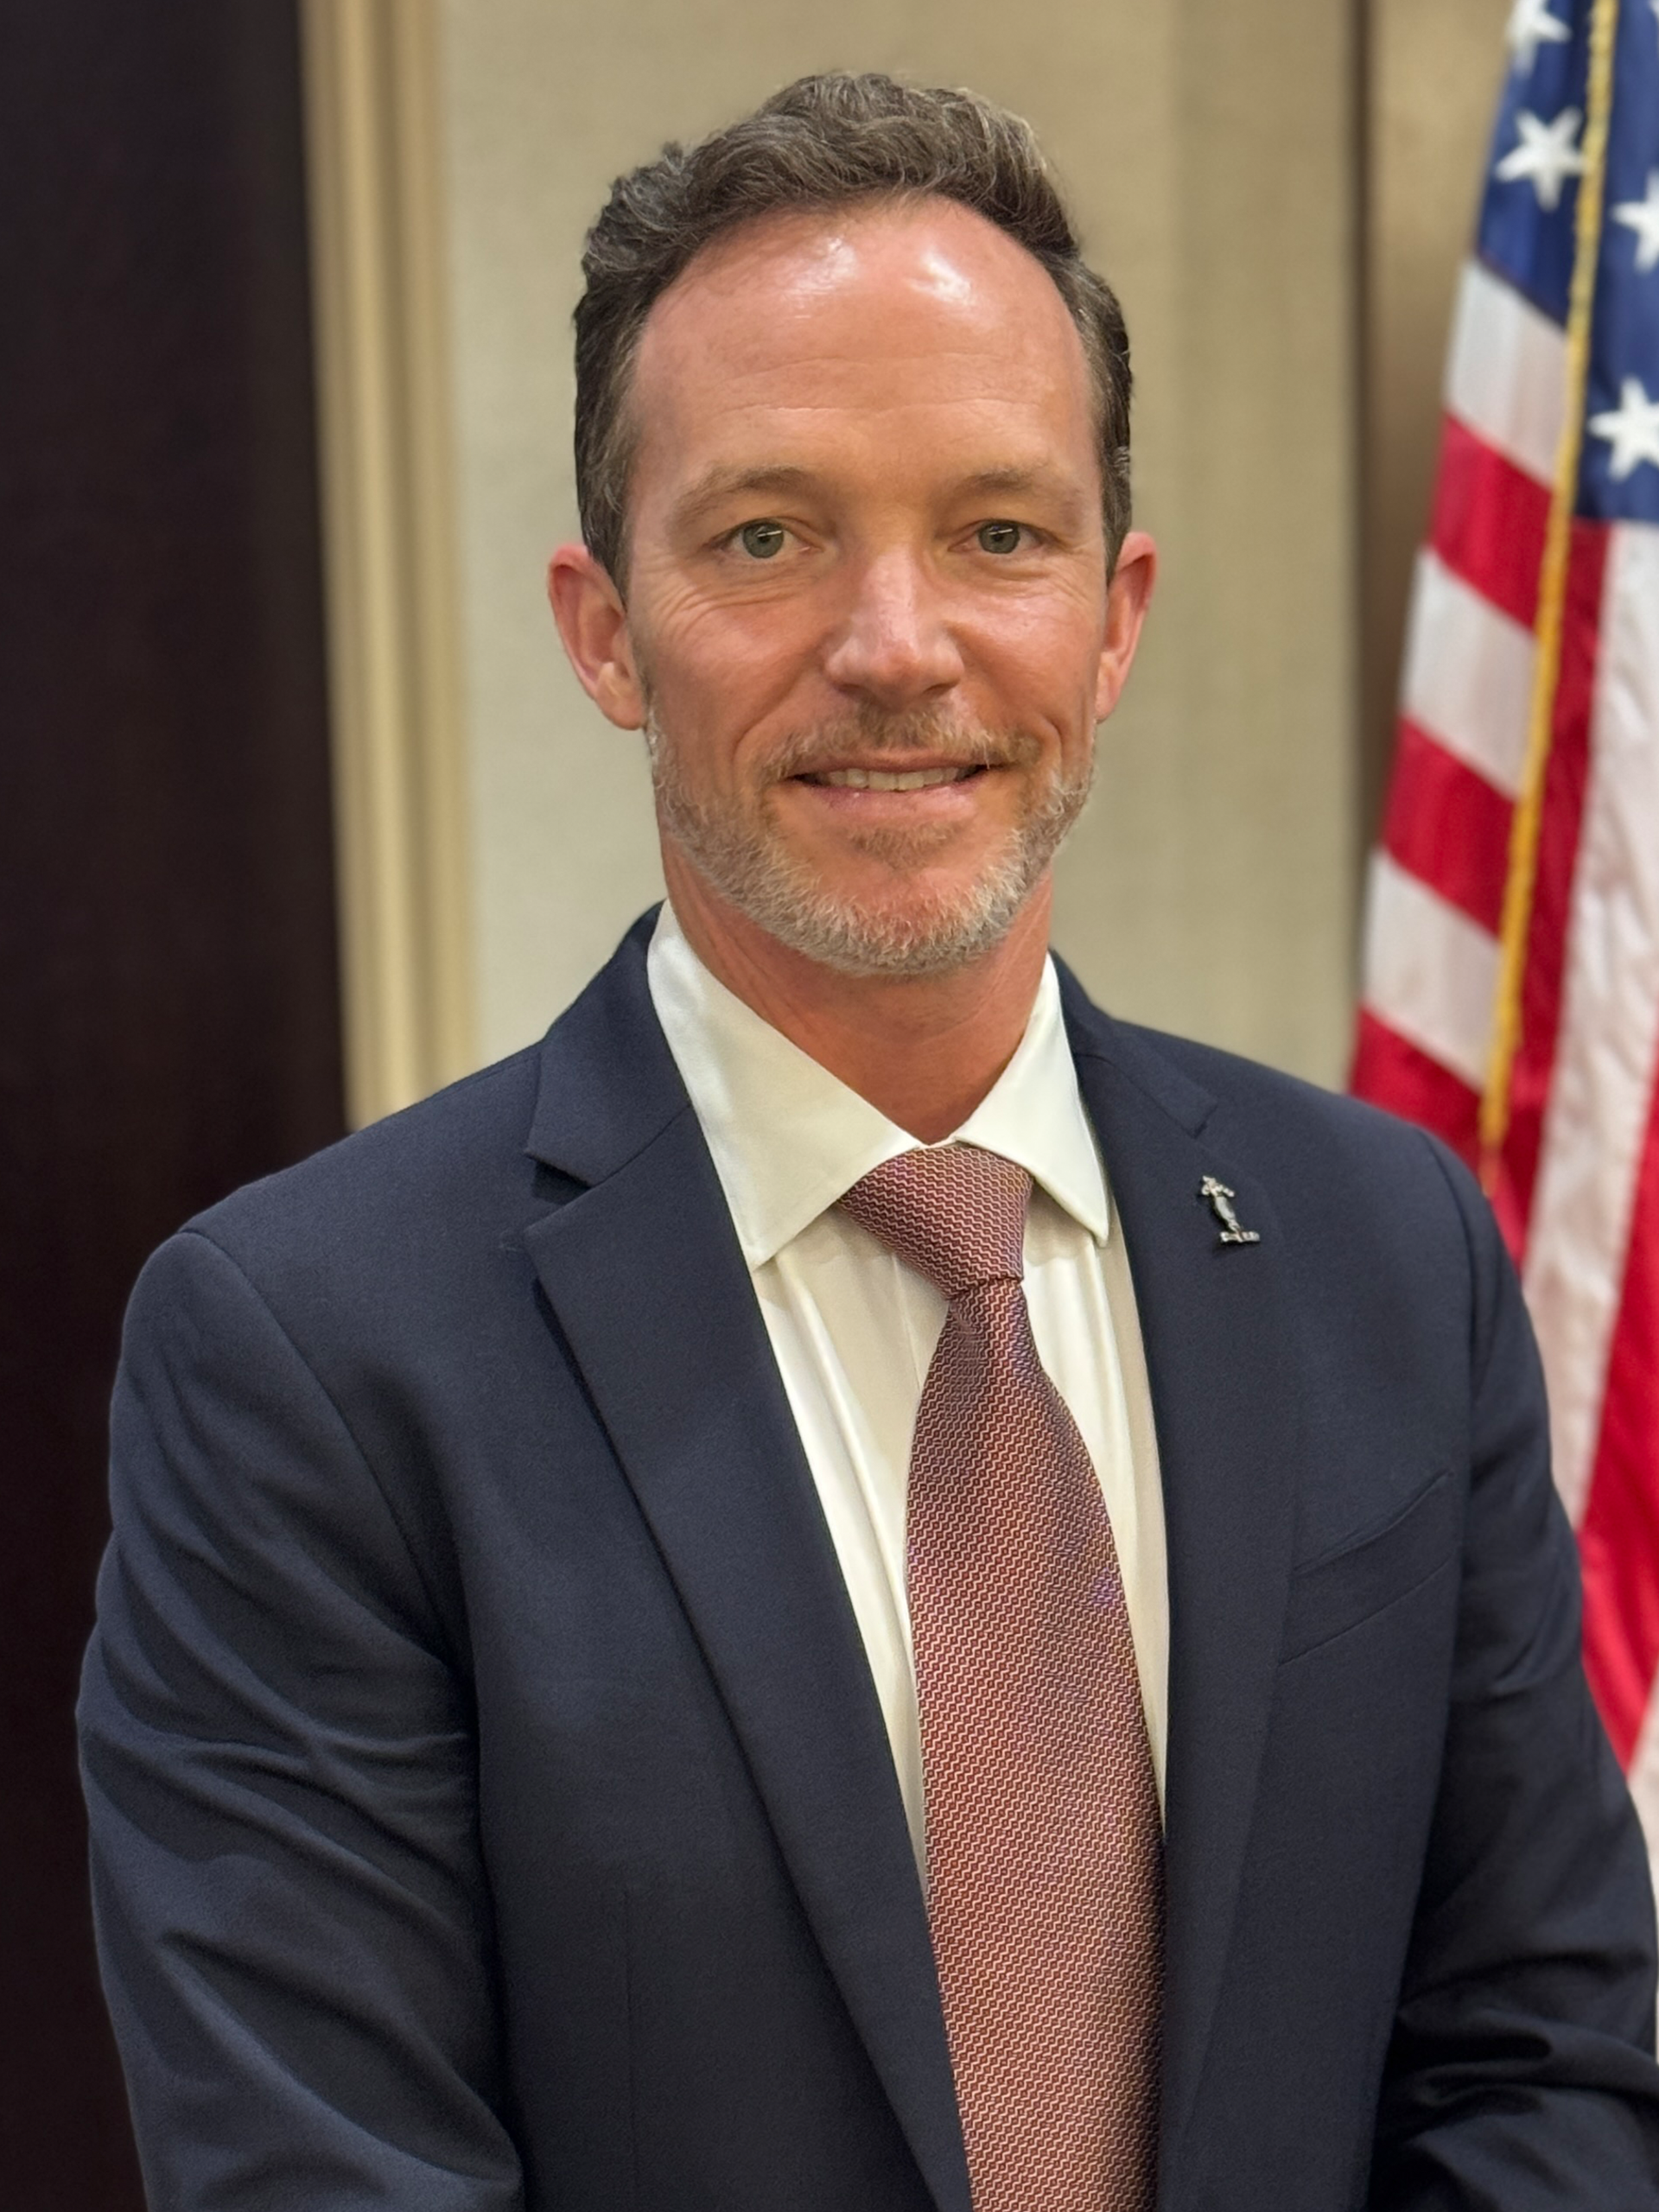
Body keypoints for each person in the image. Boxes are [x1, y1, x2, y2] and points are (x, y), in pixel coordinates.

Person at [79, 70, 1659, 2212]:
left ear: (1114, 619)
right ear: (603, 630)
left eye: (999, 532)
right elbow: (320, 2169)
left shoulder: (1391, 1248)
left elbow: (1548, 2054)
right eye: (767, 535)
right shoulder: (304, 1358)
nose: (896, 646)